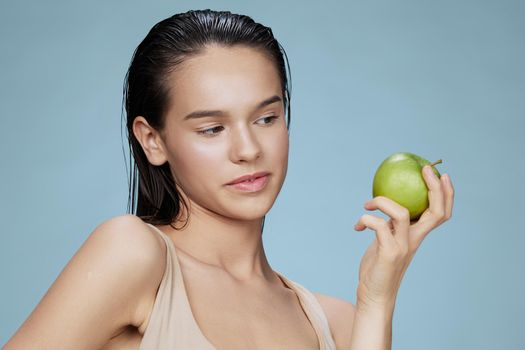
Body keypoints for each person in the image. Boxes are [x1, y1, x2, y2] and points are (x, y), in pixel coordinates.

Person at [4, 9, 454, 350]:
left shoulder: (334, 323)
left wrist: (378, 297)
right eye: (212, 128)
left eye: (266, 117)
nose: (248, 150)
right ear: (151, 139)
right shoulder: (133, 255)